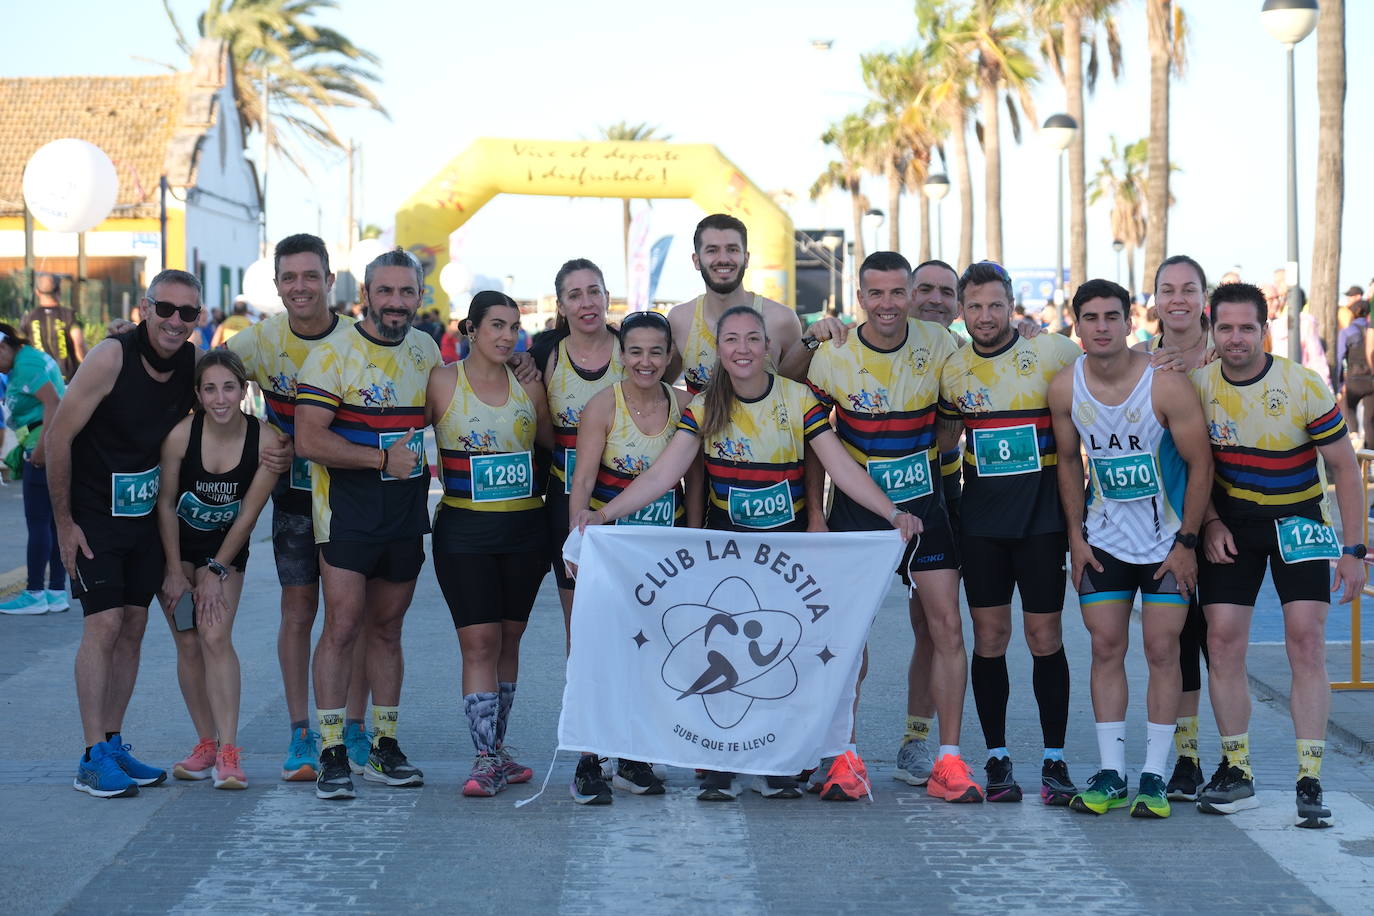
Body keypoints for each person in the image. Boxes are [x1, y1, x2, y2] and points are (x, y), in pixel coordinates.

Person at [573, 305, 920, 802]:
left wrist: (892, 514)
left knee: (779, 655)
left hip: (785, 553)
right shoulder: (702, 406)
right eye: (731, 340)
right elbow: (663, 474)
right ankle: (720, 764)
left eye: (752, 339)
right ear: (718, 350)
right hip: (727, 552)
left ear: (769, 348)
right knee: (722, 657)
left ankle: (776, 762)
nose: (742, 349)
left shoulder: (798, 399)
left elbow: (841, 468)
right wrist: (603, 516)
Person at [803, 252, 979, 804]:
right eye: (875, 294)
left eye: (896, 293)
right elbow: (813, 444)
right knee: (848, 640)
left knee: (946, 628)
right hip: (857, 514)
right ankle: (843, 757)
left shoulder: (941, 343)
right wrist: (814, 514)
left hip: (926, 507)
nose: (887, 304)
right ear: (859, 298)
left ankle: (946, 760)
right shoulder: (832, 354)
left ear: (909, 294)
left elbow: (971, 399)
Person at [1195, 282, 1365, 828]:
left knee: (1307, 640)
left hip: (1300, 521)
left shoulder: (1302, 384)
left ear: (1264, 329)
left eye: (1247, 327)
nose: (1236, 338)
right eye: (1225, 328)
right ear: (1211, 329)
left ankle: (1309, 778)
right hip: (1232, 525)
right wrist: (1211, 522)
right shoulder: (1198, 386)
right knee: (1220, 641)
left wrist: (1354, 550)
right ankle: (1237, 769)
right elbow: (1189, 468)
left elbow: (1344, 468)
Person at [1049, 279, 1213, 820]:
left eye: (1111, 317)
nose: (1101, 327)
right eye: (1090, 318)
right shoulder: (1064, 388)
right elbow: (1069, 463)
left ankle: (1155, 776)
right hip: (1105, 542)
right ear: (1077, 325)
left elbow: (1200, 464)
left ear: (1128, 322)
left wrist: (1188, 540)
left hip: (1166, 543)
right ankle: (1112, 772)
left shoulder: (1165, 386)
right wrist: (1076, 535)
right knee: (1104, 649)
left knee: (1163, 651)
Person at [46, 270, 201, 798]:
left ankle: (112, 743)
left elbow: (226, 404)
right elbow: (58, 437)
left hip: (145, 520)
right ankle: (91, 757)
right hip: (94, 516)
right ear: (144, 307)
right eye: (165, 309)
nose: (175, 322)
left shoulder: (191, 364)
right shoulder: (110, 357)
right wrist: (64, 524)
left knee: (134, 627)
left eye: (188, 313)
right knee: (104, 624)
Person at [295, 247, 440, 800]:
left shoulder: (426, 350)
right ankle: (331, 751)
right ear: (366, 296)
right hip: (346, 516)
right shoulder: (333, 354)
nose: (396, 302)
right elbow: (309, 440)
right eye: (386, 291)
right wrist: (380, 460)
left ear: (419, 298)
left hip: (404, 514)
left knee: (387, 630)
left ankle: (384, 745)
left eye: (407, 292)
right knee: (342, 626)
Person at [936, 260, 1083, 805]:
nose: (985, 316)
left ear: (1013, 304)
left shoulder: (1053, 352)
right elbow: (943, 439)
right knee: (990, 638)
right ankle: (996, 757)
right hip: (982, 527)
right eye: (973, 306)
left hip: (1042, 525)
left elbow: (1111, 382)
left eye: (995, 305)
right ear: (960, 310)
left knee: (1046, 639)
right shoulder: (952, 370)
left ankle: (1054, 759)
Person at [229, 234, 371, 781]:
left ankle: (354, 728)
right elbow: (203, 380)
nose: (300, 287)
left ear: (331, 281)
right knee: (297, 613)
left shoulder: (360, 341)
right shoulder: (262, 341)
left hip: (353, 495)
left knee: (350, 616)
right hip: (293, 497)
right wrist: (257, 427)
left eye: (311, 276)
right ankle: (299, 733)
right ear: (277, 286)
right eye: (289, 278)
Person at [566, 309, 700, 804]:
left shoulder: (687, 405)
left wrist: (693, 537)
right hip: (610, 550)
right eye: (636, 351)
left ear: (669, 357)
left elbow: (695, 482)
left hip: (664, 553)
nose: (646, 361)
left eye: (656, 352)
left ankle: (633, 758)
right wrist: (576, 538)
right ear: (622, 356)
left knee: (652, 651)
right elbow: (581, 480)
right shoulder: (602, 406)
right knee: (600, 652)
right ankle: (588, 761)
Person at [427, 291, 553, 798]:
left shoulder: (529, 384)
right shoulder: (442, 382)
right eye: (496, 325)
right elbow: (404, 439)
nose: (506, 336)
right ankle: (482, 758)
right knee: (477, 642)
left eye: (513, 327)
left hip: (525, 531)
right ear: (471, 330)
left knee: (508, 641)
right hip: (464, 531)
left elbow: (549, 443)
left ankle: (497, 751)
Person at [156, 350, 279, 790]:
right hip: (175, 547)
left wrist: (216, 568)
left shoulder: (266, 441)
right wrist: (174, 570)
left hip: (225, 549)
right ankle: (205, 743)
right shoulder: (181, 436)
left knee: (214, 635)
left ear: (244, 390)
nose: (220, 397)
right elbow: (166, 504)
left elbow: (248, 515)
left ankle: (229, 752)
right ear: (198, 394)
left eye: (229, 387)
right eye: (210, 388)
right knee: (188, 642)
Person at [1134, 254, 1217, 802]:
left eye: (1189, 289)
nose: (1179, 299)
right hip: (1170, 521)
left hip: (1231, 515)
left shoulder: (1231, 354)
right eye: (1169, 289)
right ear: (1156, 300)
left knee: (1222, 643)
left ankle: (1237, 759)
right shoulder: (1138, 361)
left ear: (1203, 297)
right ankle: (1185, 759)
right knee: (1180, 643)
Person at [534, 259, 623, 640]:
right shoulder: (543, 355)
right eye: (575, 295)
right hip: (567, 501)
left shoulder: (634, 347)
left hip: (631, 503)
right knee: (581, 624)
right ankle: (582, 701)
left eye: (594, 292)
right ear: (561, 305)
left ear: (606, 297)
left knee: (635, 620)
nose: (586, 302)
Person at [670, 213, 803, 395]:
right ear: (696, 261)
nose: (723, 258)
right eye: (712, 250)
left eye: (732, 249)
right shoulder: (679, 320)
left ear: (746, 258)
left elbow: (801, 396)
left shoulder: (781, 320)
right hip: (700, 424)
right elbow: (657, 390)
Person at [0, 323, 68, 615]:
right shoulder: (27, 359)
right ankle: (55, 592)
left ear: (4, 347)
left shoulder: (26, 365)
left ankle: (35, 593)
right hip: (51, 444)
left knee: (38, 522)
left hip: (43, 447)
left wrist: (39, 452)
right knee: (53, 523)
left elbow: (53, 402)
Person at [22, 273, 85, 382]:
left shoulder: (28, 317)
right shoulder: (70, 315)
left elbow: (22, 348)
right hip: (67, 380)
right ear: (59, 291)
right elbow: (79, 346)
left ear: (37, 292)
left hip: (40, 382)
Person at [1334, 299, 1372, 444]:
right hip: (1371, 381)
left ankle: (1355, 438)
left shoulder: (1347, 332)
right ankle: (1370, 458)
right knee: (1370, 422)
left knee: (1349, 411)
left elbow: (1339, 358)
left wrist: (1339, 383)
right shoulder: (1372, 331)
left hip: (1353, 380)